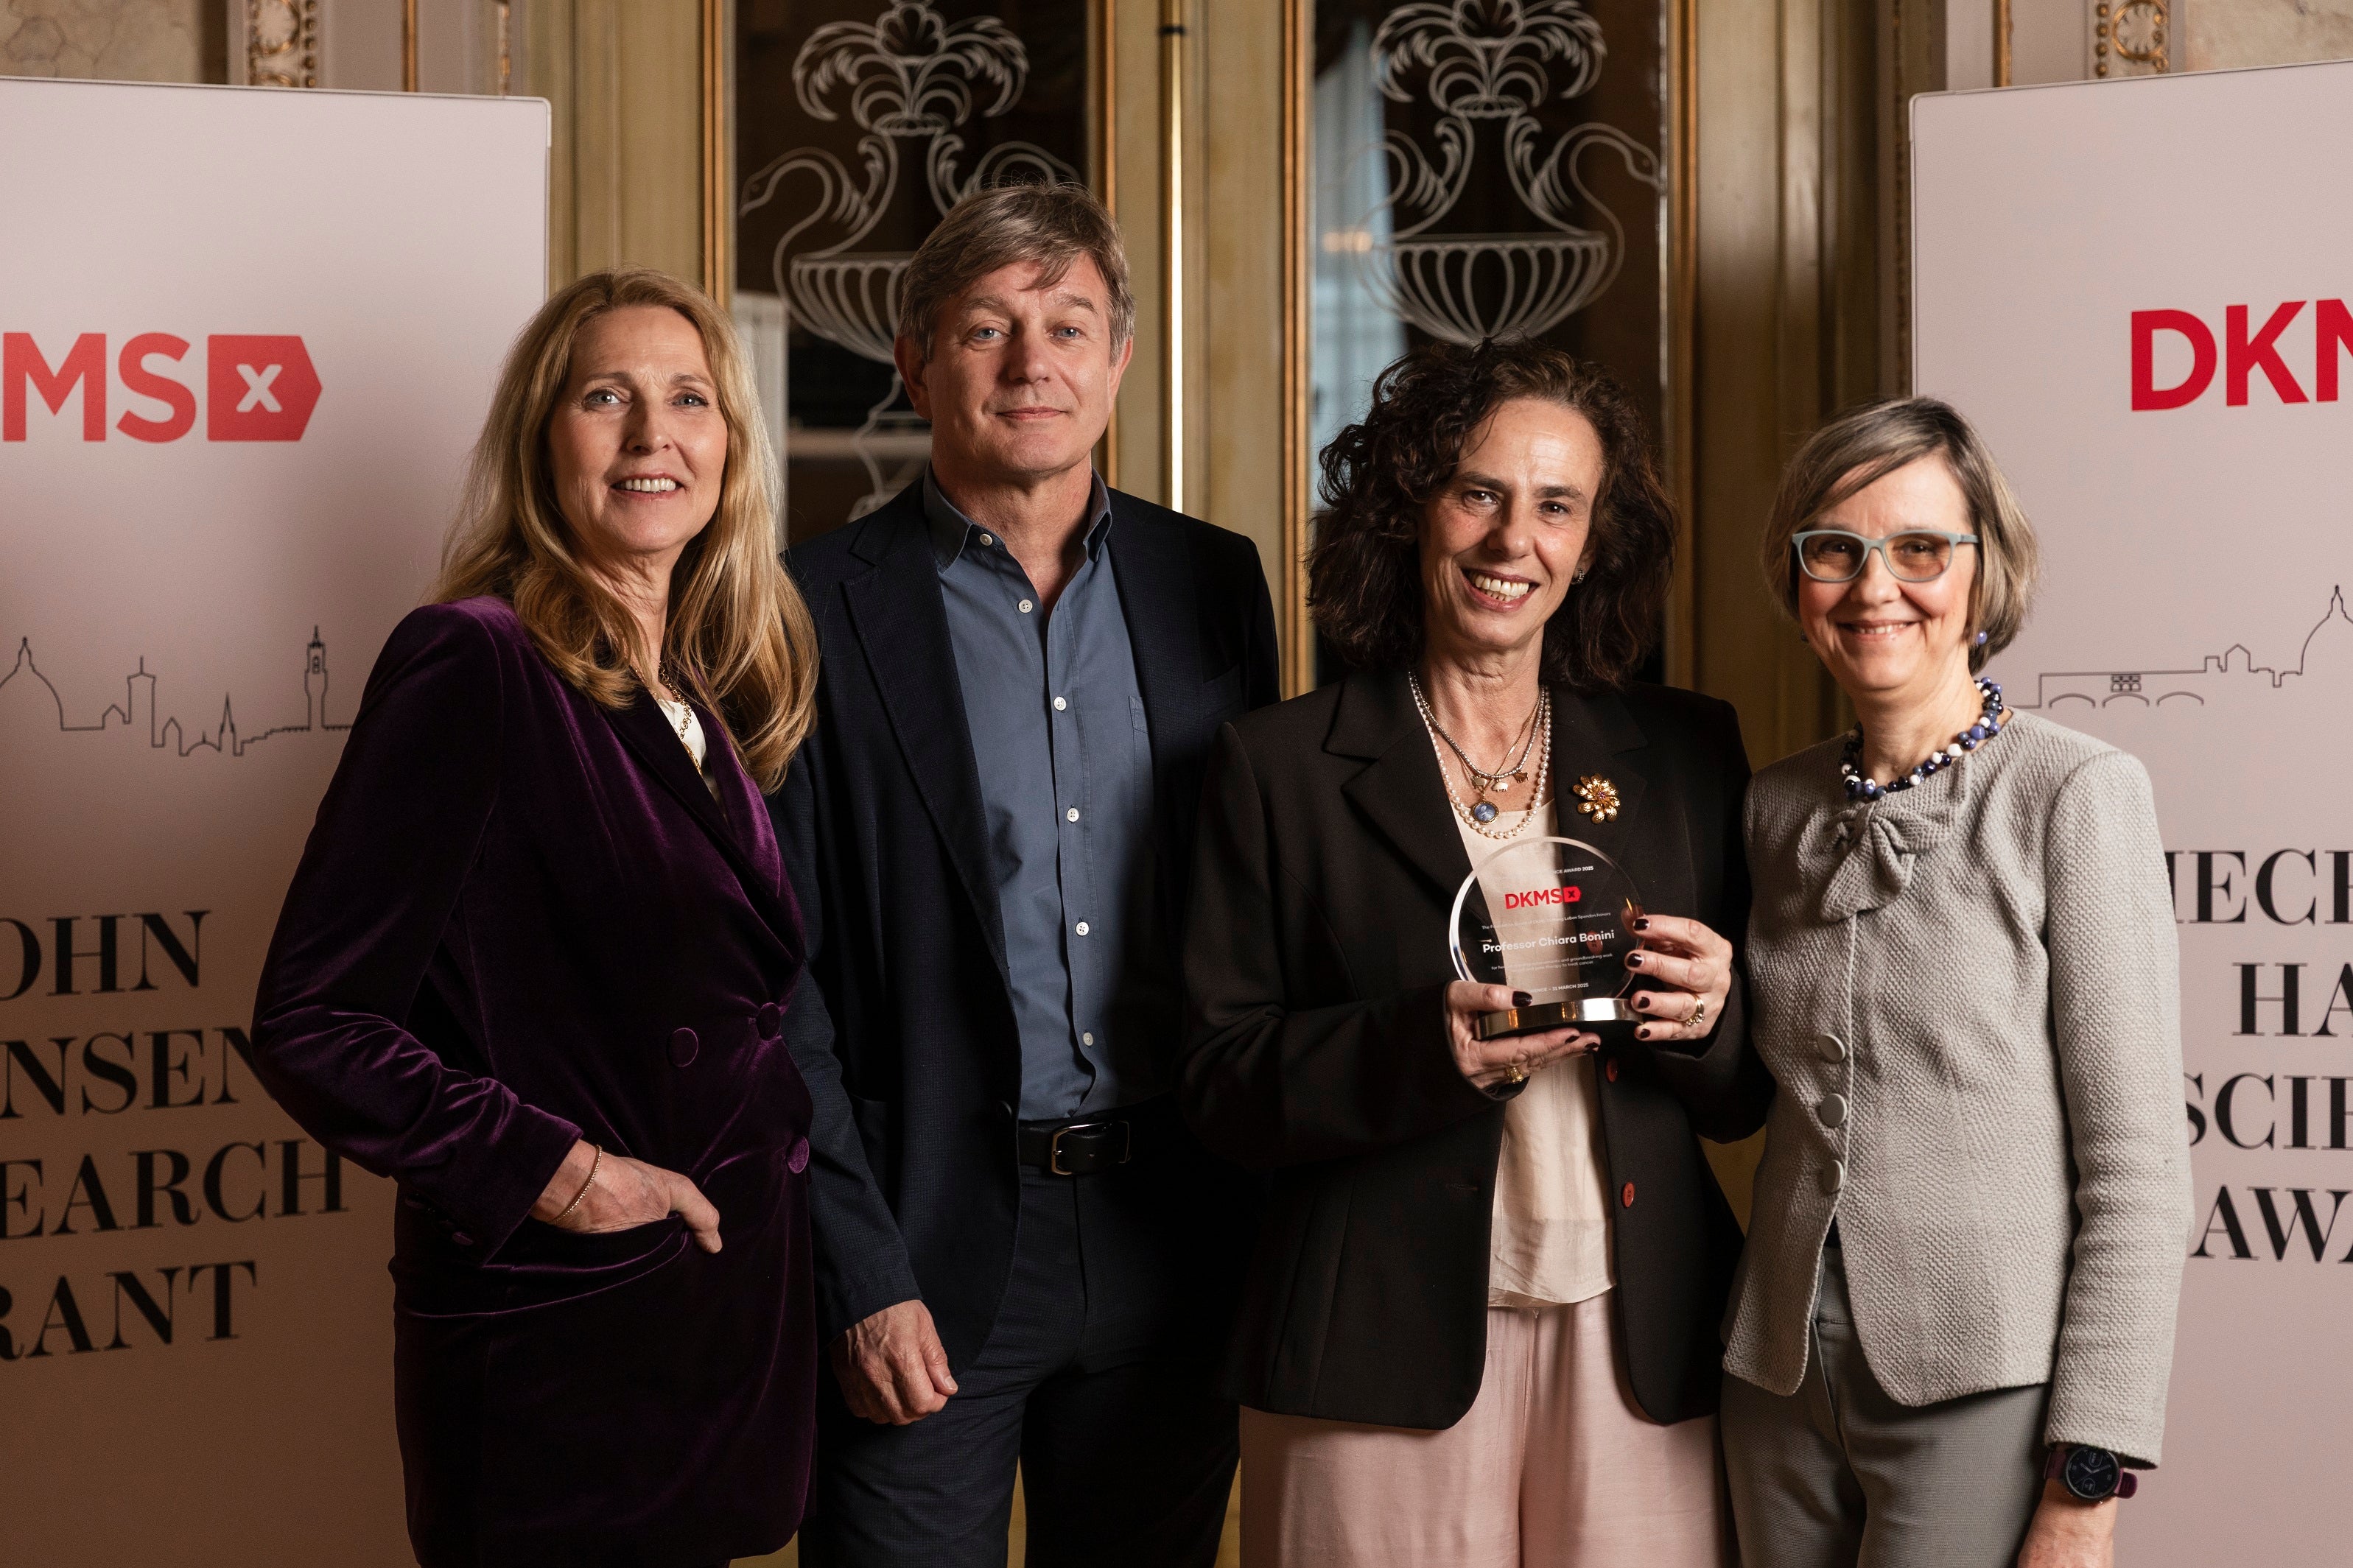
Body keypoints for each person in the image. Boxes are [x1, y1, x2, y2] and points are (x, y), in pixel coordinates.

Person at [249, 268, 824, 1568]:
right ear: (541, 438)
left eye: (689, 398)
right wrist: (560, 1174)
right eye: (605, 397)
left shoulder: (697, 685)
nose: (652, 434)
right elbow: (312, 1019)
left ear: (730, 445)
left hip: (714, 1334)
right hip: (558, 1353)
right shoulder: (475, 659)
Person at [1181, 339, 1768, 1567]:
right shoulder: (1277, 767)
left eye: (1556, 505)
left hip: (1638, 1326)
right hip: (1369, 1337)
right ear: (1410, 511)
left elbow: (1740, 1097)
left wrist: (1712, 1014)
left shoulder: (1687, 752)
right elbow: (1215, 1081)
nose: (1514, 539)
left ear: (1592, 543)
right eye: (1477, 493)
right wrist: (1418, 1050)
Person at [769, 182, 1279, 1567]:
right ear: (914, 361)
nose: (1030, 363)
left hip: (1171, 1227)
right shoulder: (804, 608)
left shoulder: (1212, 583)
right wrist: (855, 1267)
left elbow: (1264, 907)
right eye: (986, 327)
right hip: (926, 1237)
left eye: (1068, 326)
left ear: (1119, 360)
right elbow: (778, 983)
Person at [1722, 397, 2192, 1568]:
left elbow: (2138, 1173)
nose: (1873, 586)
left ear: (1984, 574)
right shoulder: (1771, 807)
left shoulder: (2073, 792)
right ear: (1797, 582)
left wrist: (2088, 1481)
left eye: (1920, 548)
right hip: (1773, 1380)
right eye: (1834, 550)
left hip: (1984, 1389)